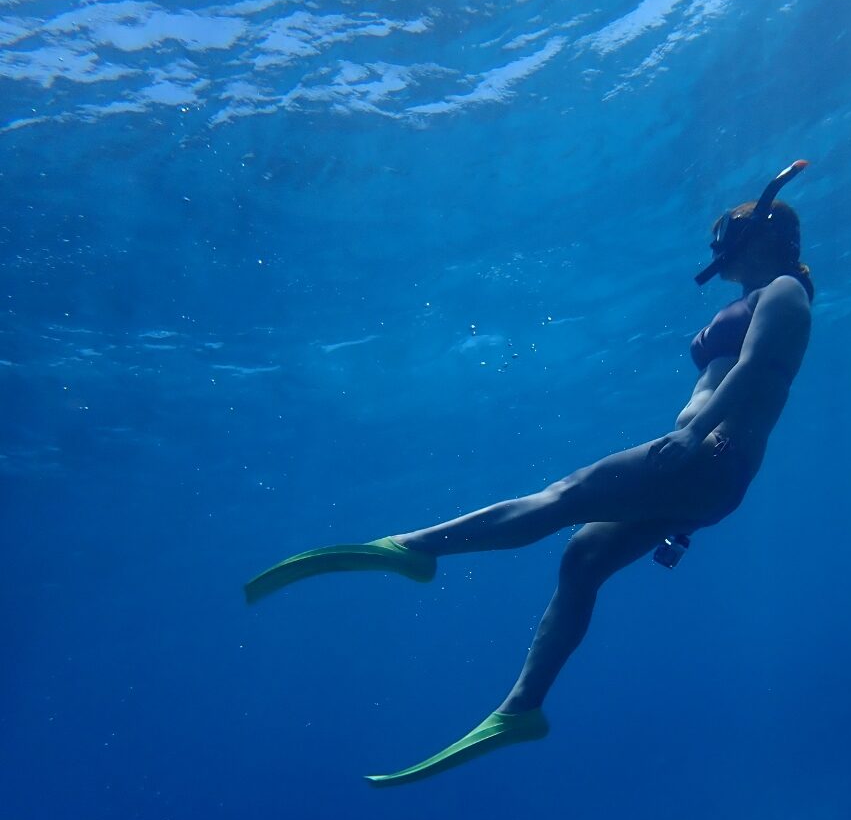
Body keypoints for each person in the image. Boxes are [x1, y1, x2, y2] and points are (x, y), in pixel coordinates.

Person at [244, 161, 815, 786]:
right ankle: (522, 708)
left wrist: (692, 434)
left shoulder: (784, 290)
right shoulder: (754, 296)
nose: (715, 247)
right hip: (711, 472)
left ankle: (414, 549)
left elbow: (760, 369)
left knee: (563, 497)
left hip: (709, 455)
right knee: (584, 557)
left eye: (723, 234)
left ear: (758, 232)